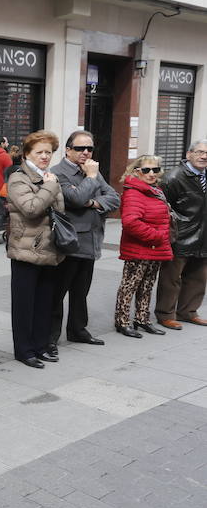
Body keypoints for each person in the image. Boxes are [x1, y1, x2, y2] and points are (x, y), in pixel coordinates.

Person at [49, 131, 120, 349]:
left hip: (91, 242)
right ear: (68, 150)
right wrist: (90, 180)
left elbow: (114, 198)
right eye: (80, 148)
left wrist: (91, 203)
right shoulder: (58, 172)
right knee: (57, 293)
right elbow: (75, 198)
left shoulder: (92, 170)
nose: (86, 152)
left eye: (89, 148)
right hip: (69, 243)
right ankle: (50, 337)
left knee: (81, 292)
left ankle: (78, 330)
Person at [6, 130, 65, 369]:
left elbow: (59, 210)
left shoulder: (49, 177)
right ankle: (24, 350)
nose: (44, 156)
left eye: (48, 152)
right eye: (39, 152)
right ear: (27, 153)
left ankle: (41, 346)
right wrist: (50, 187)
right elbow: (31, 209)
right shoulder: (18, 178)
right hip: (26, 249)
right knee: (24, 305)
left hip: (50, 249)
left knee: (44, 302)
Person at [114, 157, 172, 337]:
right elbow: (130, 222)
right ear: (136, 171)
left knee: (147, 285)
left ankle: (142, 319)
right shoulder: (134, 192)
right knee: (130, 286)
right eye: (146, 170)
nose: (152, 173)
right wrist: (156, 236)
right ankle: (122, 322)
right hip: (139, 248)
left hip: (154, 247)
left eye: (155, 169)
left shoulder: (154, 190)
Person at [155, 138, 207, 329]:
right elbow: (162, 207)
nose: (204, 156)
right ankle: (165, 314)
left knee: (197, 278)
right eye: (199, 152)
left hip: (203, 236)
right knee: (171, 279)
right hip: (180, 235)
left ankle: (188, 311)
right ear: (188, 155)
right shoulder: (173, 177)